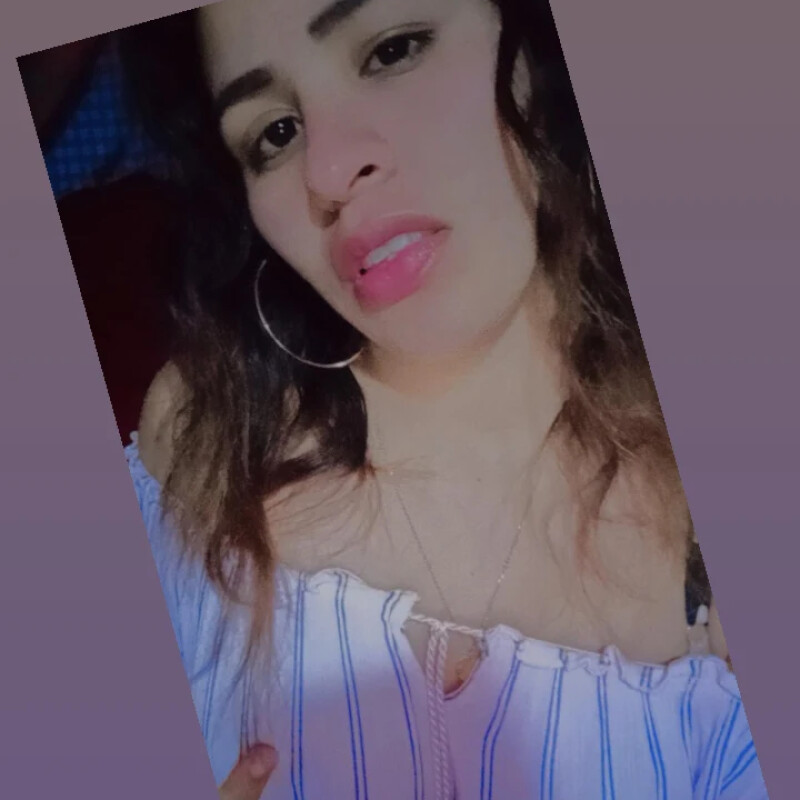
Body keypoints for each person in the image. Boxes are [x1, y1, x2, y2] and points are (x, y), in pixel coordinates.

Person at [121, 0, 767, 797]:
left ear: (540, 49)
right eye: (275, 133)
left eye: (394, 50)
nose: (327, 173)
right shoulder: (201, 434)